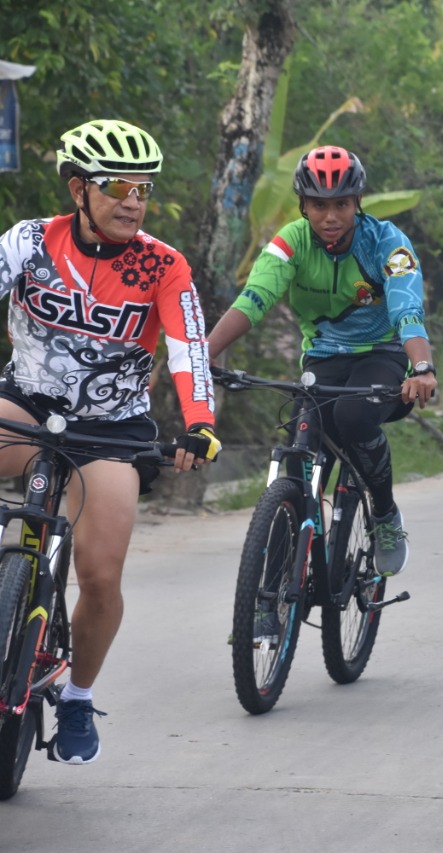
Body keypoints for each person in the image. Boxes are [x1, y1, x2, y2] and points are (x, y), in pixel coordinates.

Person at [0, 119, 221, 764]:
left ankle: (76, 697)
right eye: (119, 185)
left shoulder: (163, 264)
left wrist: (199, 421)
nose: (133, 200)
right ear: (78, 190)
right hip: (26, 400)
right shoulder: (30, 242)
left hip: (111, 427)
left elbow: (188, 353)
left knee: (100, 574)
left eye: (143, 189)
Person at [206, 145, 435, 579]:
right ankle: (266, 602)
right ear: (303, 205)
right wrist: (202, 354)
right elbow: (254, 299)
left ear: (357, 203)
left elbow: (407, 312)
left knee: (351, 417)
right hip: (323, 358)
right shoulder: (290, 242)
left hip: (382, 355)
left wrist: (422, 367)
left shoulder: (387, 244)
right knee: (298, 463)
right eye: (319, 206)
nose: (331, 217)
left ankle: (385, 515)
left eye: (342, 205)